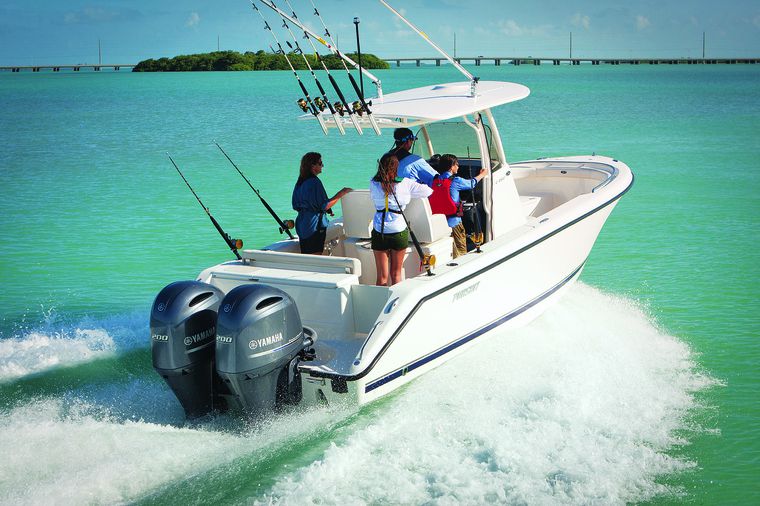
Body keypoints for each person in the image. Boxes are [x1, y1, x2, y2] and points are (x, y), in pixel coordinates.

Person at [370, 153, 433, 286]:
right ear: (396, 167)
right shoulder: (405, 183)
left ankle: (379, 303)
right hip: (397, 231)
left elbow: (384, 186)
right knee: (396, 274)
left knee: (382, 277)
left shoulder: (373, 182)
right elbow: (428, 191)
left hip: (379, 230)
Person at [292, 152, 351, 254]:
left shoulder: (300, 182)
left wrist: (327, 209)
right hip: (314, 226)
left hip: (302, 225)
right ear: (312, 166)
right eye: (320, 163)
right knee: (315, 258)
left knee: (306, 255)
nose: (322, 166)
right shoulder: (314, 182)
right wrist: (341, 194)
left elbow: (302, 203)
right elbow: (323, 205)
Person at [435, 154, 488, 258]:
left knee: (447, 251)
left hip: (440, 223)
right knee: (460, 251)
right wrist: (482, 174)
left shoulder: (434, 180)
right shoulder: (456, 180)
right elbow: (471, 183)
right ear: (451, 167)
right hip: (455, 222)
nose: (458, 167)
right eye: (457, 165)